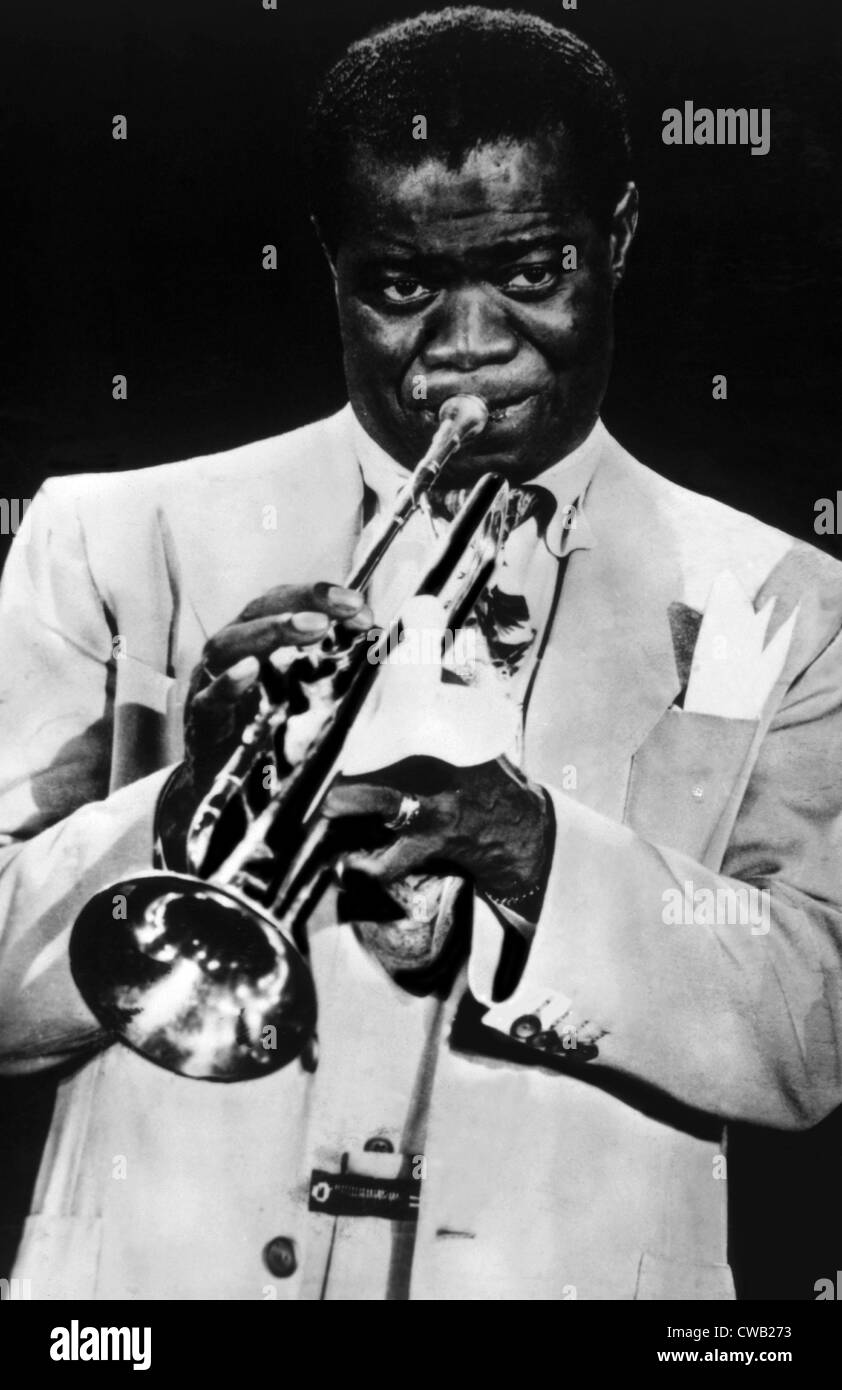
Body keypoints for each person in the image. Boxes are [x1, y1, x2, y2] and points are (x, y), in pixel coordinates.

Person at [2, 6, 841, 1301]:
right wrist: (174, 804)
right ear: (330, 263)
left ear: (616, 239)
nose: (464, 344)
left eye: (530, 269)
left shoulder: (787, 600)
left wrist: (539, 853)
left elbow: (812, 1030)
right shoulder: (113, 539)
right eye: (401, 285)